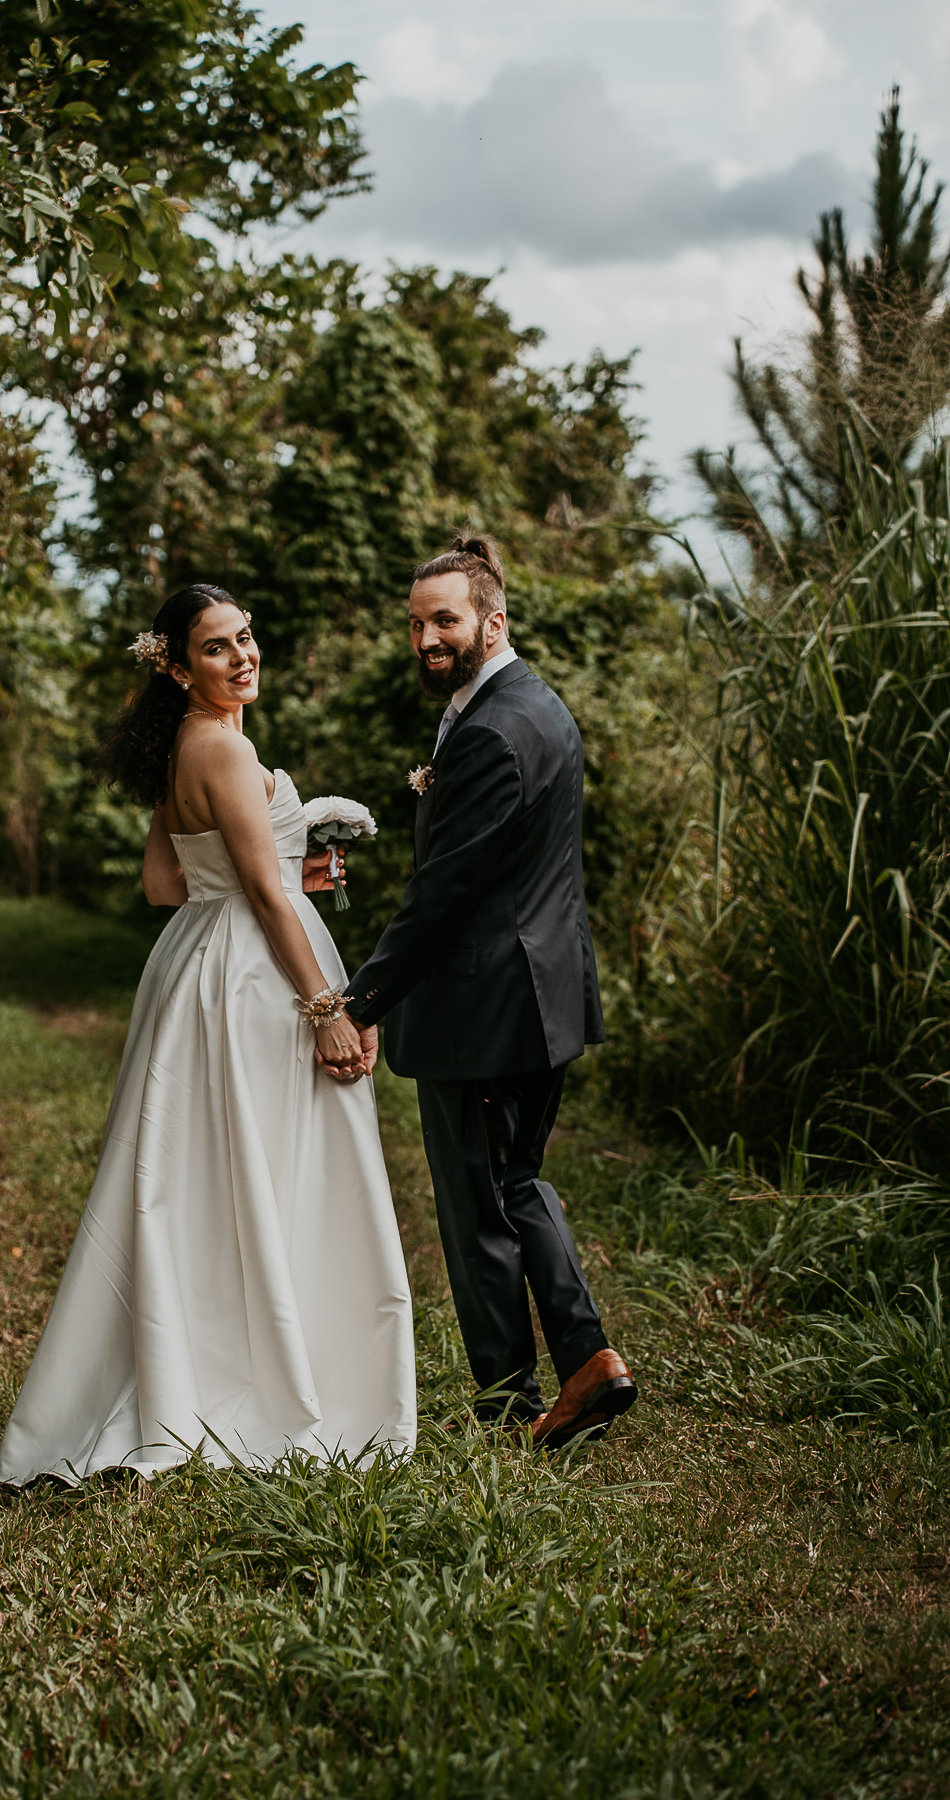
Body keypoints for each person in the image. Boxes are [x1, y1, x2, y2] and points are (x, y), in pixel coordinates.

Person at [0, 585, 416, 1486]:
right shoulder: (226, 746)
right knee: (277, 1166)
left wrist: (271, 858)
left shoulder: (179, 747)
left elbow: (163, 882)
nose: (244, 656)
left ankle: (208, 1361)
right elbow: (264, 897)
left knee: (205, 1175)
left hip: (193, 969)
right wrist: (326, 1011)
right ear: (180, 668)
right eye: (219, 649)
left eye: (247, 638)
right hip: (255, 980)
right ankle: (272, 1380)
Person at [343, 532, 637, 1450]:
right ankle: (584, 1366)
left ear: (491, 620)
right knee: (516, 1183)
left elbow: (441, 898)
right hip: (540, 992)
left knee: (481, 1207)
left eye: (446, 620)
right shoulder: (536, 706)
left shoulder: (493, 732)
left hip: (485, 1003)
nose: (428, 638)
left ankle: (514, 1402)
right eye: (418, 623)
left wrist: (357, 1001)